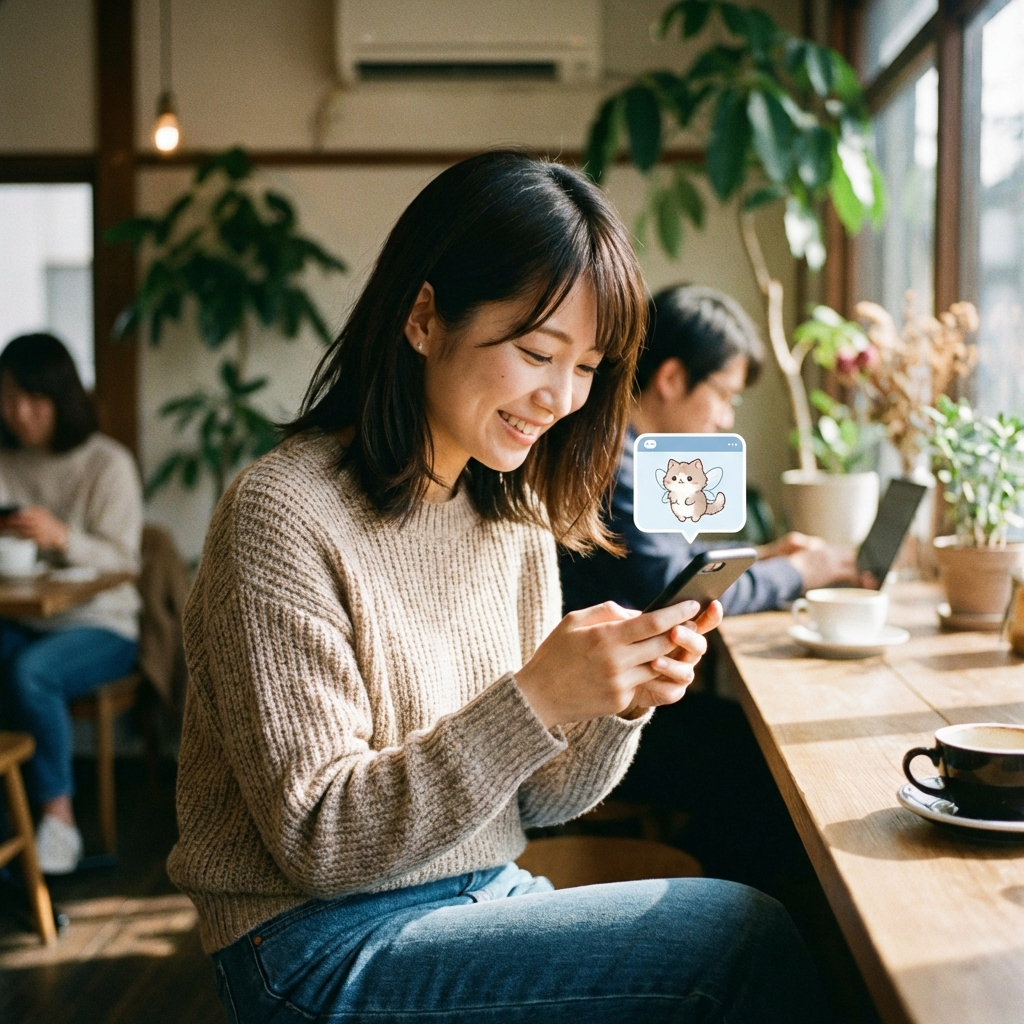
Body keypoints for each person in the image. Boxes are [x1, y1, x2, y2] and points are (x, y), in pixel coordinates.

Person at [167, 152, 829, 1023]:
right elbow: (318, 842)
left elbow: (541, 799)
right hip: (312, 944)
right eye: (535, 351)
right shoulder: (283, 514)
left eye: (588, 366)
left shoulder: (508, 512)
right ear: (423, 317)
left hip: (478, 892)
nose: (561, 397)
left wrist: (611, 703)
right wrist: (535, 696)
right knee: (740, 936)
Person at [560, 284, 860, 617]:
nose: (726, 419)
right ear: (671, 378)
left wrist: (762, 555)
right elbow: (675, 589)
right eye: (723, 395)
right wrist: (798, 572)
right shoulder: (613, 465)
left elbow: (671, 556)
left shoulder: (627, 450)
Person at [0, 334, 142, 874]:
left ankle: (58, 821)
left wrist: (62, 537)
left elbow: (125, 561)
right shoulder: (5, 460)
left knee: (30, 673)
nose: (19, 413)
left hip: (102, 624)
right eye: (8, 398)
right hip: (25, 618)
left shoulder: (107, 463)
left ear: (64, 398)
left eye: (34, 399)